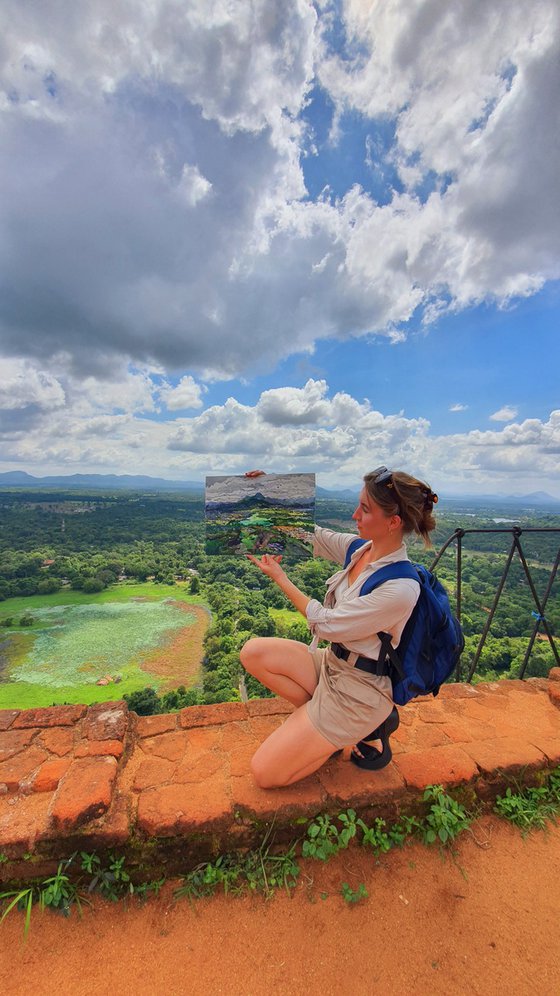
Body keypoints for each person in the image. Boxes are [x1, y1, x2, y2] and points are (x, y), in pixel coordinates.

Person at [240, 467, 438, 788]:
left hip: (358, 693)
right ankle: (322, 732)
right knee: (254, 653)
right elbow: (312, 535)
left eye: (366, 509)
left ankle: (344, 732)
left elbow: (326, 625)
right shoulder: (361, 550)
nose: (355, 514)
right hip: (332, 665)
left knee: (265, 773)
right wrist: (269, 492)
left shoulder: (399, 587)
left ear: (393, 522)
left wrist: (281, 579)